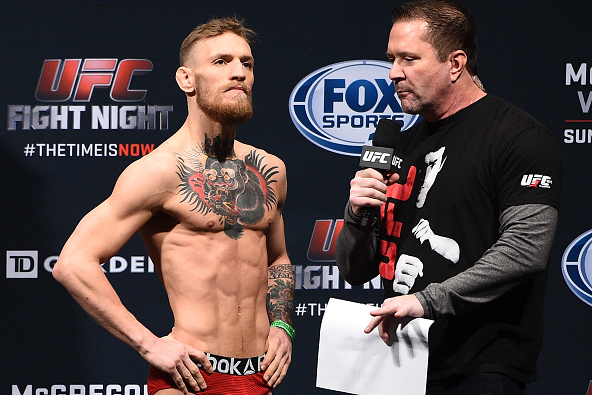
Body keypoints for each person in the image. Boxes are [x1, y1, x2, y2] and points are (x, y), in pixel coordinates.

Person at [53, 17, 294, 395]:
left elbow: (277, 258)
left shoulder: (270, 169)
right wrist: (148, 343)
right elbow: (72, 263)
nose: (238, 73)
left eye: (246, 64)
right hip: (190, 377)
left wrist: (283, 325)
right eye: (221, 62)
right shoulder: (159, 171)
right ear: (186, 80)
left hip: (260, 377)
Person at [335, 1, 562, 394]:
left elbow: (525, 249)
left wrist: (427, 301)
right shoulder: (400, 147)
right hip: (398, 361)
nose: (393, 73)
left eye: (409, 58)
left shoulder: (518, 139)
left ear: (455, 63)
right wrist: (357, 214)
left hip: (479, 366)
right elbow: (355, 270)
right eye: (391, 59)